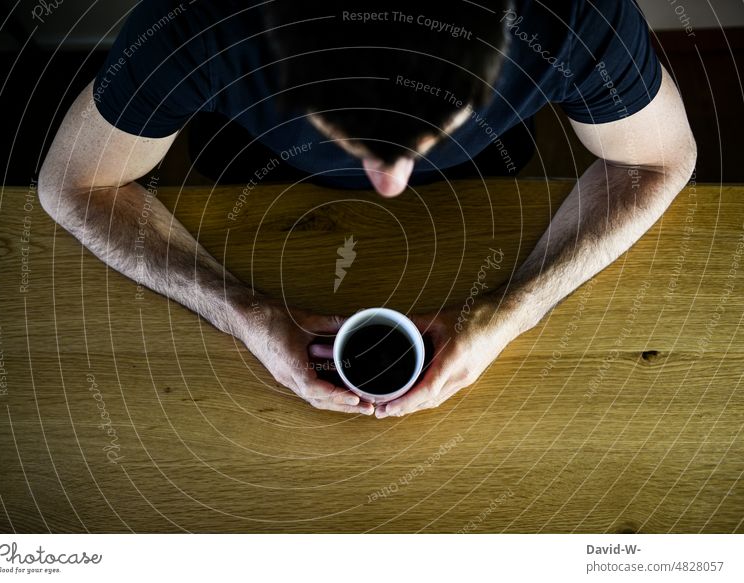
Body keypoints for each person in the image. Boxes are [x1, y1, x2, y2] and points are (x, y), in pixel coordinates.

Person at [38, 0, 696, 418]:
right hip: (254, 185)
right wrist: (244, 312)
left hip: (483, 193)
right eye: (352, 134)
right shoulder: (201, 17)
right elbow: (71, 183)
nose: (392, 181)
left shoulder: (573, 11)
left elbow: (659, 157)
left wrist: (509, 312)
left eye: (430, 127)